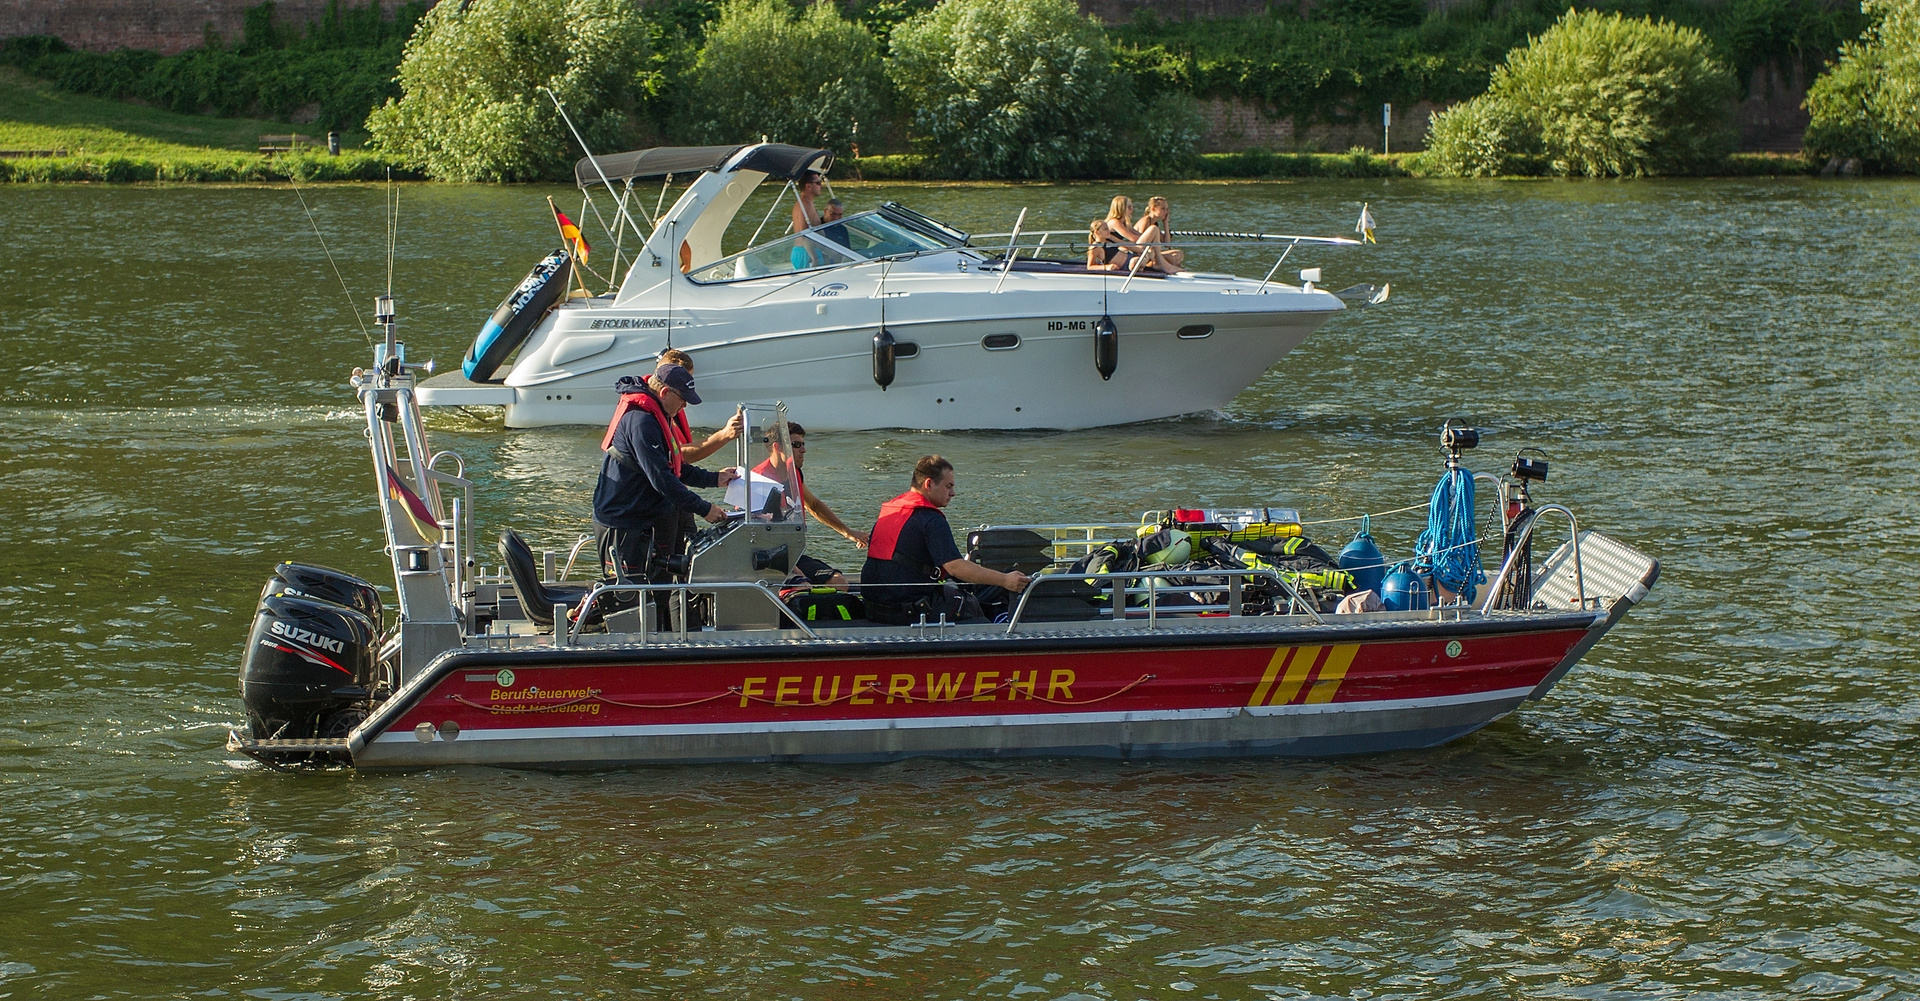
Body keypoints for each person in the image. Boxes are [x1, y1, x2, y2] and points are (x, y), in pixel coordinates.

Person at [592, 363, 739, 592]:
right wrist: (704, 508)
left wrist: (715, 478)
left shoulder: (658, 416)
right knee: (629, 597)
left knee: (658, 591)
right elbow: (662, 479)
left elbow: (675, 466)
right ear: (664, 392)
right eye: (683, 399)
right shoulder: (641, 422)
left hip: (644, 521)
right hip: (623, 524)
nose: (684, 406)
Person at [860, 455, 1030, 624]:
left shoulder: (893, 511)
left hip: (875, 608)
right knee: (971, 604)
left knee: (967, 589)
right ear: (928, 484)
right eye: (948, 486)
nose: (953, 493)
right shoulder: (930, 519)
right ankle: (1002, 626)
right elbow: (956, 567)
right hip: (908, 612)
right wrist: (1005, 580)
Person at [752, 422, 869, 589]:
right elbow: (752, 536)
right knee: (803, 587)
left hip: (793, 554)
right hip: (766, 559)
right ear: (777, 447)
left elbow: (813, 505)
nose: (803, 450)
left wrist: (848, 532)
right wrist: (794, 570)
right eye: (796, 445)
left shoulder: (794, 473)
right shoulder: (757, 481)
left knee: (838, 582)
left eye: (803, 444)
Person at [656, 348, 741, 464]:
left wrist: (716, 477)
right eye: (683, 382)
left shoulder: (670, 404)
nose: (685, 403)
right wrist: (724, 434)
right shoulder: (643, 418)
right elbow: (677, 456)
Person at [1104, 194, 1179, 274]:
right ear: (1121, 208)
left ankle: (1161, 263)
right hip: (1114, 255)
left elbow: (1139, 235)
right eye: (1129, 207)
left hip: (1127, 251)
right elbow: (1133, 239)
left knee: (1177, 254)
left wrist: (1154, 238)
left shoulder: (1125, 223)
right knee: (1153, 229)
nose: (1132, 209)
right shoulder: (1114, 222)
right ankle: (1160, 264)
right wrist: (1151, 240)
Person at [1134, 195, 1185, 271]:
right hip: (1142, 254)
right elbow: (1141, 243)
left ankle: (1165, 266)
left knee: (1178, 254)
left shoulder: (1155, 224)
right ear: (1153, 209)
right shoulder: (1145, 221)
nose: (1166, 212)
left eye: (1167, 209)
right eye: (1163, 209)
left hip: (1153, 254)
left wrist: (1165, 223)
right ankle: (1156, 265)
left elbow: (1167, 244)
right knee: (1173, 258)